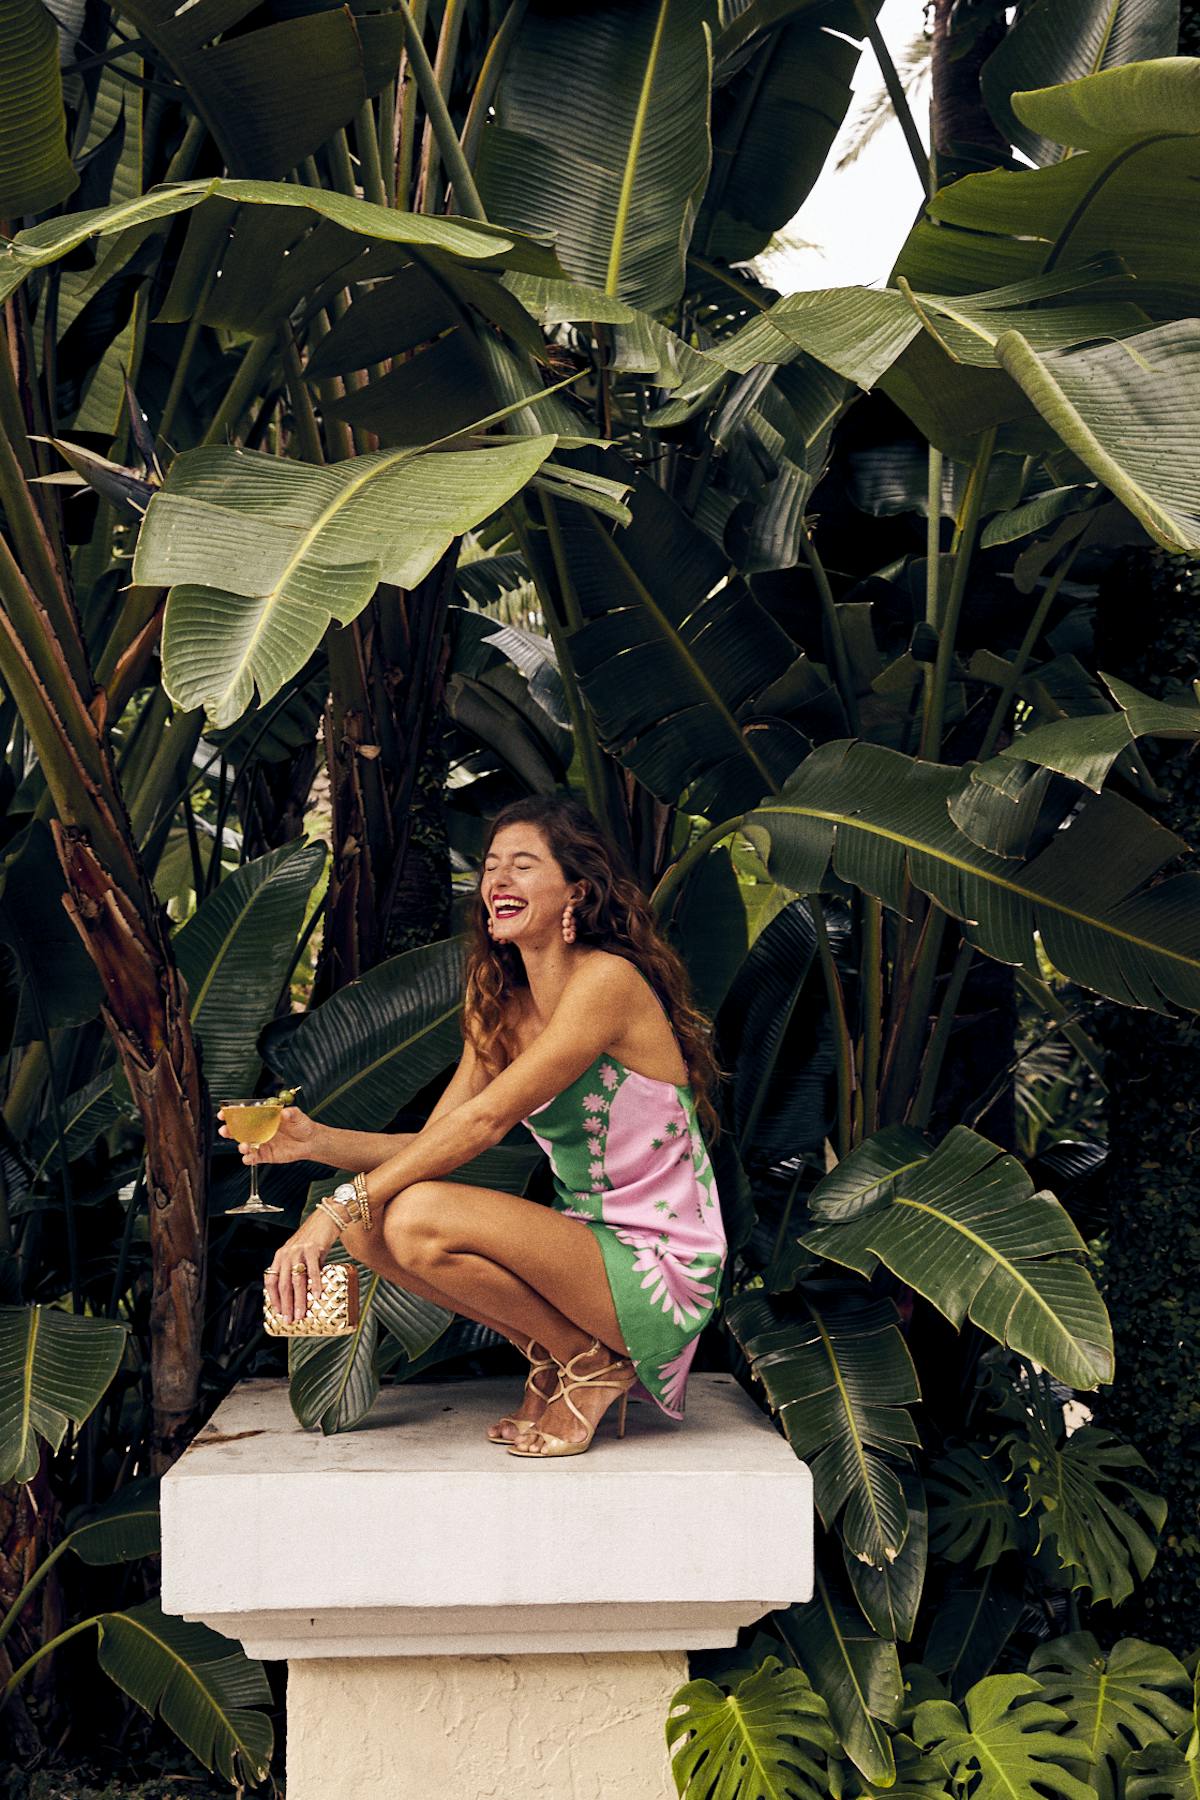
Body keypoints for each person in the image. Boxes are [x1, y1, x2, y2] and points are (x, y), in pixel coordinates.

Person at [219, 794, 727, 1458]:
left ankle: (588, 1361)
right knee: (376, 1223)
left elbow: (485, 1123)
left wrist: (329, 1212)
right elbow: (440, 1142)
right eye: (491, 867)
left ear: (577, 889)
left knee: (399, 1211)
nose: (499, 882)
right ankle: (562, 1356)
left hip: (661, 1263)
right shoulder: (499, 1004)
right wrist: (315, 1142)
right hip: (583, 1245)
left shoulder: (607, 983)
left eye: (523, 865)